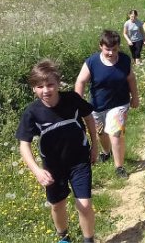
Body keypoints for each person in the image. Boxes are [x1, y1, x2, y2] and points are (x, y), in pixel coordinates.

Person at [17, 60, 99, 243]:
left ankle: (89, 239)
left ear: (58, 83)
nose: (46, 90)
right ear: (33, 89)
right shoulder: (32, 113)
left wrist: (95, 144)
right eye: (40, 86)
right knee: (57, 205)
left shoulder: (72, 99)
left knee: (84, 205)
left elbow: (88, 117)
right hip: (52, 168)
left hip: (79, 161)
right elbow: (24, 144)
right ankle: (63, 237)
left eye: (50, 84)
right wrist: (37, 171)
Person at [75, 30, 140, 180]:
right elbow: (81, 81)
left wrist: (135, 97)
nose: (111, 53)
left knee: (116, 133)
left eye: (114, 49)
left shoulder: (124, 60)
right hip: (97, 106)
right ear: (101, 47)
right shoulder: (92, 62)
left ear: (118, 47)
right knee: (101, 133)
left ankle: (119, 167)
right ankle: (106, 152)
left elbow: (131, 78)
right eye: (107, 49)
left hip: (120, 104)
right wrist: (78, 102)